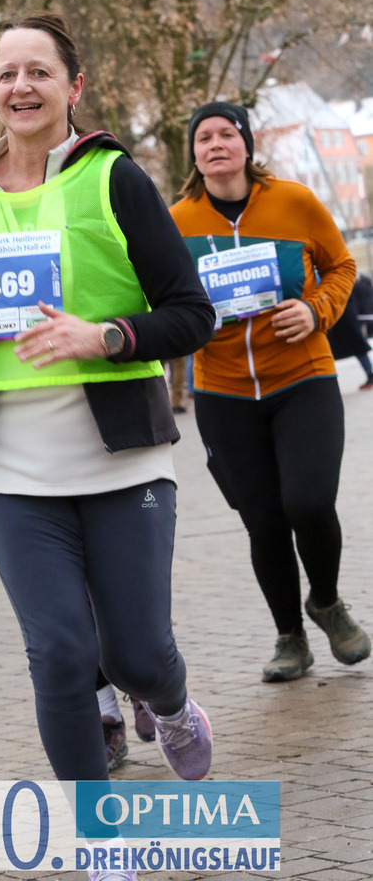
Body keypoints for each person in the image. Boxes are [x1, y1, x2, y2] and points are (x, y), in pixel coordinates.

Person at [0, 12, 217, 840]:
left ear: (72, 88)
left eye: (38, 72)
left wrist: (105, 335)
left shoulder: (113, 178)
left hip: (118, 459)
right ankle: (100, 839)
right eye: (5, 73)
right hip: (6, 467)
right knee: (57, 654)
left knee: (135, 654)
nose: (19, 87)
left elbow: (192, 314)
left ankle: (170, 703)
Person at [170, 101, 371, 683]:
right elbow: (160, 297)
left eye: (226, 134)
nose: (215, 144)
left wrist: (315, 311)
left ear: (247, 144)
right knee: (262, 520)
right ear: (194, 153)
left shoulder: (294, 202)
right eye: (203, 137)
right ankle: (290, 638)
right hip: (223, 392)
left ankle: (327, 602)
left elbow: (342, 268)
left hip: (302, 379)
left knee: (308, 502)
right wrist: (186, 322)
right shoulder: (176, 221)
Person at [327, 284, 373, 389]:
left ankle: (370, 374)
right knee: (358, 348)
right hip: (340, 316)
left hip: (344, 317)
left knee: (359, 347)